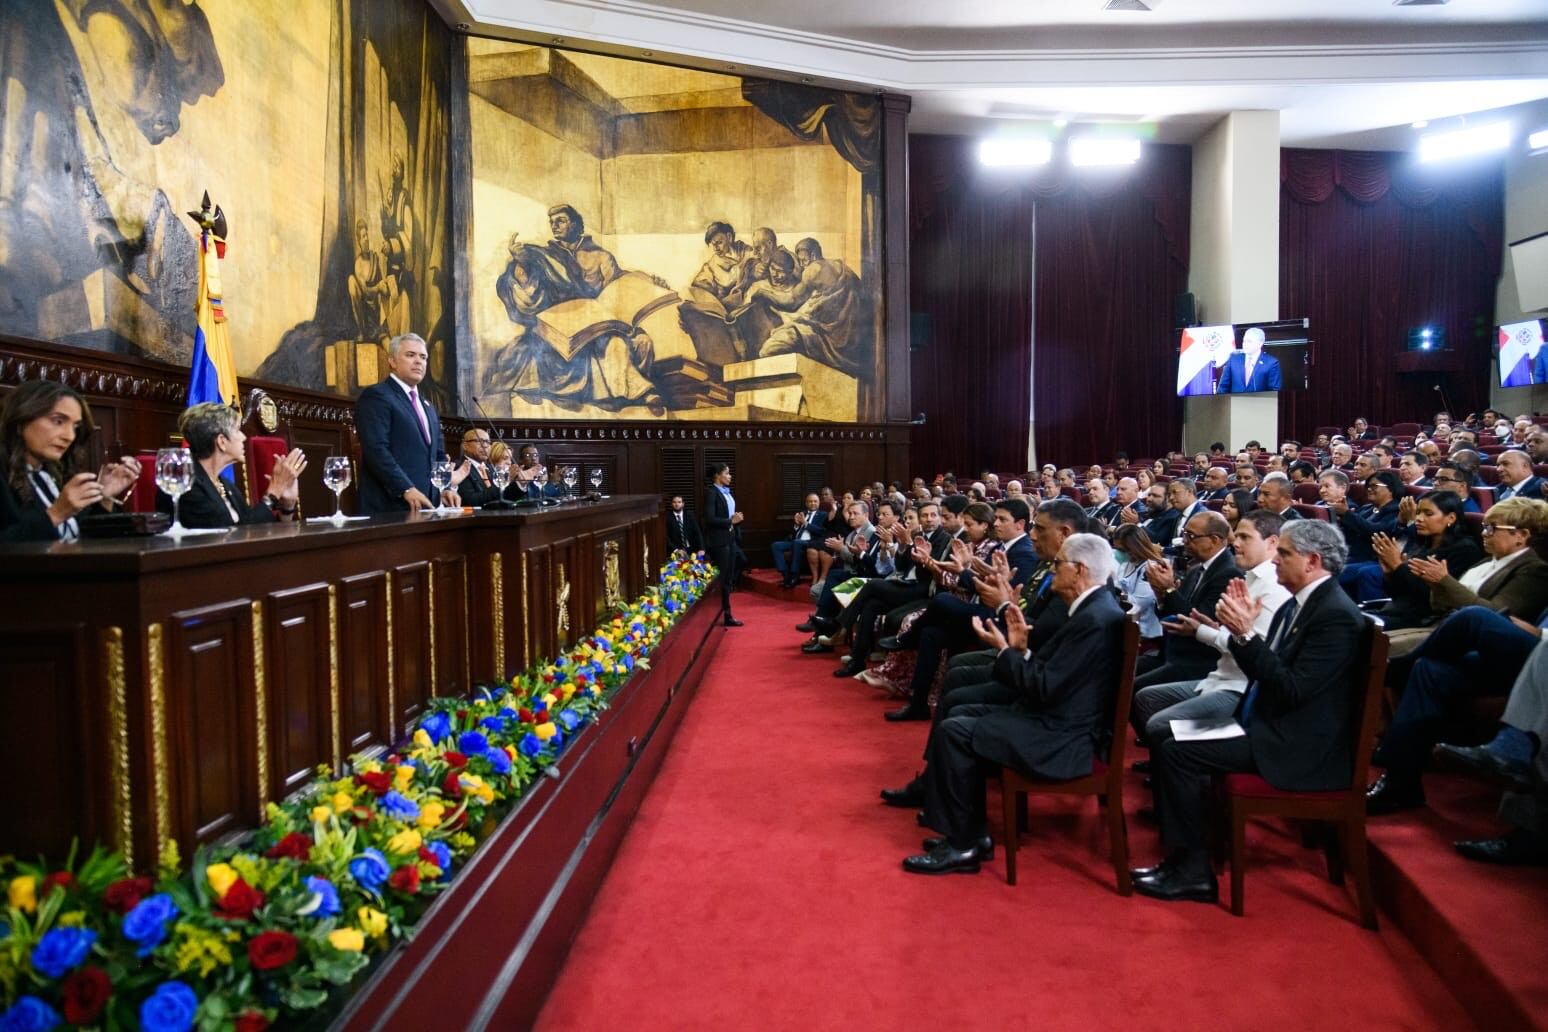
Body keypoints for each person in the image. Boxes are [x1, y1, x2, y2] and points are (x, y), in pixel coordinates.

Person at [1132, 520, 1366, 903]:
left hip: (1295, 744)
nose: (1276, 562)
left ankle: (1193, 871)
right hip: (1270, 721)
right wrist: (1241, 635)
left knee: (1176, 749)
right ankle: (1183, 853)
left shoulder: (1333, 615)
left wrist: (1244, 635)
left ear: (1312, 561)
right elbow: (1270, 672)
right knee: (1164, 734)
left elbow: (1290, 690)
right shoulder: (1303, 602)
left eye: (1285, 554)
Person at [902, 533, 1126, 874]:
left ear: (1079, 570)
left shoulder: (1093, 620)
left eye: (1057, 565)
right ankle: (971, 833)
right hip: (1060, 718)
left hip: (1064, 738)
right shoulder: (1094, 609)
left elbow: (1045, 687)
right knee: (962, 714)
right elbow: (1056, 677)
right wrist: (1021, 651)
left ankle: (964, 844)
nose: (1052, 572)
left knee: (955, 731)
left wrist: (1008, 652)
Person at [1130, 511, 1292, 755]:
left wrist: (1203, 629)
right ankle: (1164, 761)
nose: (1235, 543)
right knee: (1144, 697)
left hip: (1231, 681)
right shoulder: (1239, 576)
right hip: (1215, 671)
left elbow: (1253, 647)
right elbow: (1192, 620)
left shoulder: (1264, 583)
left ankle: (1174, 762)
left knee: (1158, 723)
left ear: (1272, 543)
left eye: (1244, 537)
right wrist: (1164, 594)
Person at [1369, 604, 1548, 817]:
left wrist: (1539, 632)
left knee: (1475, 616)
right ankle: (1400, 784)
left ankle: (1397, 671)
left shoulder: (1532, 569)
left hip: (1540, 653)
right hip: (1531, 660)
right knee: (1430, 669)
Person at [0, 380, 139, 542]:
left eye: (75, 427)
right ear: (20, 420)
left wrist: (104, 497)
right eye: (58, 421)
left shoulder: (49, 473)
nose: (69, 436)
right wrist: (57, 513)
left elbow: (82, 538)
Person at [1137, 511, 1244, 689]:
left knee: (1133, 688)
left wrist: (1169, 589)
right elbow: (1170, 615)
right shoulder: (1196, 568)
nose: (1185, 540)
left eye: (1191, 536)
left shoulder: (1228, 574)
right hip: (1170, 653)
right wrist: (1160, 594)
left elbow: (1193, 621)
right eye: (1184, 534)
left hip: (1195, 662)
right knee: (1117, 669)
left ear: (1215, 540)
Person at [156, 403, 306, 527]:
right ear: (221, 441)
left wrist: (288, 505)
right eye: (237, 430)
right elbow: (239, 533)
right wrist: (274, 492)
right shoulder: (186, 486)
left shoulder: (225, 485)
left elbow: (258, 527)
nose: (244, 437)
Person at [1368, 492, 1483, 633]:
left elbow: (1433, 598)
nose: (1419, 519)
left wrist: (1398, 566)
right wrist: (1390, 573)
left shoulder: (1465, 549)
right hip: (1396, 610)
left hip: (1425, 620)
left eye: (1428, 514)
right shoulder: (1423, 543)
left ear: (1451, 518)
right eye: (1417, 513)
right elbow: (1398, 593)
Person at [355, 333, 441, 514]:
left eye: (423, 357)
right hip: (390, 506)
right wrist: (405, 488)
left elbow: (438, 454)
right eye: (410, 355)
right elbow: (376, 450)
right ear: (392, 361)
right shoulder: (377, 396)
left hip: (427, 505)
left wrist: (447, 487)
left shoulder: (428, 406)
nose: (418, 361)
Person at [702, 462, 744, 627]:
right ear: (717, 476)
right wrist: (730, 520)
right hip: (719, 541)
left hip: (730, 539)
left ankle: (726, 613)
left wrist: (735, 521)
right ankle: (722, 614)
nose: (730, 476)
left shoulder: (727, 492)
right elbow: (709, 519)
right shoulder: (711, 493)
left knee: (728, 578)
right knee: (722, 579)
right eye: (727, 473)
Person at [773, 492, 826, 587]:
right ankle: (785, 574)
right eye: (810, 501)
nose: (813, 503)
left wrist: (805, 523)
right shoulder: (802, 513)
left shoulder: (823, 515)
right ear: (806, 503)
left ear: (819, 503)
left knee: (797, 542)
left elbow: (821, 531)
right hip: (796, 541)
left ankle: (795, 574)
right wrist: (797, 524)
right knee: (776, 545)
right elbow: (793, 533)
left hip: (811, 542)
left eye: (815, 501)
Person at [1216, 328, 1282, 393]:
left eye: (1249, 341)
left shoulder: (1271, 363)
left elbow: (1274, 390)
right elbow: (1223, 386)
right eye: (1244, 341)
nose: (1245, 344)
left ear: (1260, 343)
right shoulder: (1233, 359)